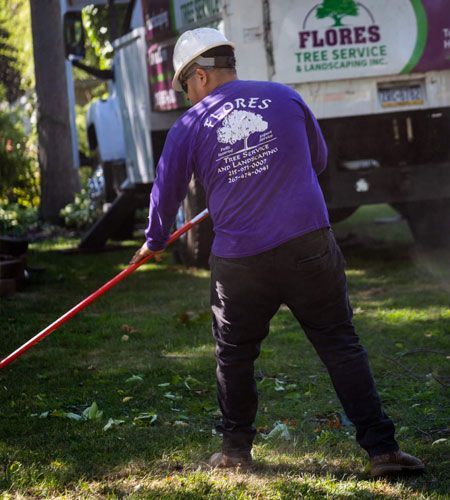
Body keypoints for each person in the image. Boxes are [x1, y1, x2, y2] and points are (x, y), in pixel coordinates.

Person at [130, 27, 424, 478]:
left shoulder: (189, 125)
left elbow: (165, 194)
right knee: (340, 343)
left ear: (201, 76)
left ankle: (234, 453)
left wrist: (152, 241)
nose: (187, 96)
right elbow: (318, 159)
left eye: (185, 85)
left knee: (234, 353)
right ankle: (382, 451)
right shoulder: (284, 97)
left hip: (240, 261)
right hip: (308, 244)